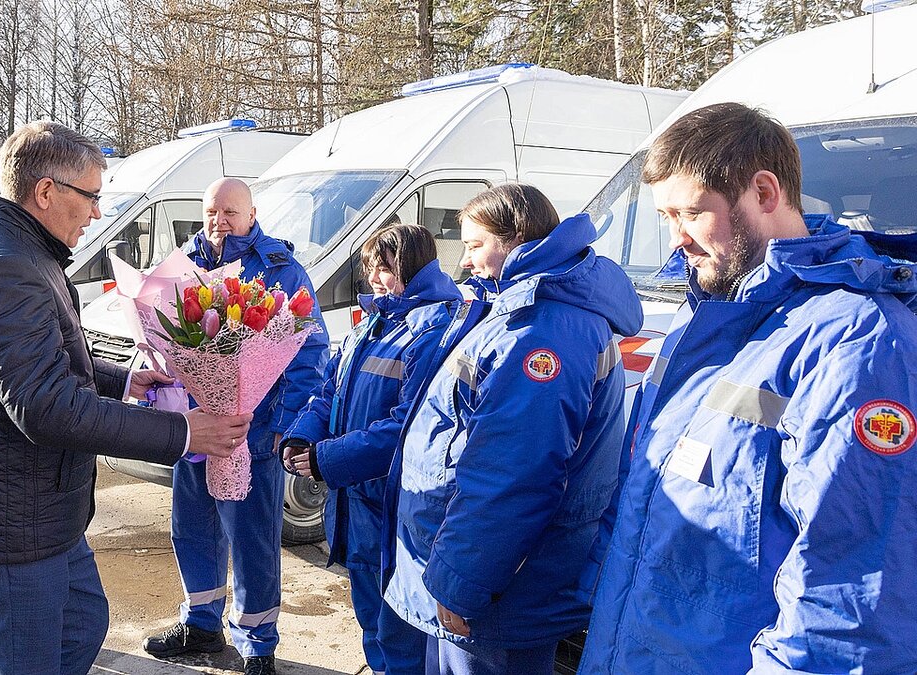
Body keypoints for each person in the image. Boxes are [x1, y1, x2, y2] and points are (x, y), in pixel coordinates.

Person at [578, 103, 917, 673]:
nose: (676, 239)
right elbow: (643, 487)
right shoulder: (703, 317)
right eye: (665, 217)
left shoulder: (856, 341)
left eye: (689, 213)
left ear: (764, 192)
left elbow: (849, 597)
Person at [0, 121, 251, 675]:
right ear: (46, 191)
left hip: (42, 507)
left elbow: (38, 363)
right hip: (17, 519)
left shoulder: (19, 250)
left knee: (83, 622)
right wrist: (183, 433)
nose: (98, 213)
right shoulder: (4, 266)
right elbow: (45, 406)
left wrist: (124, 380)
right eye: (92, 196)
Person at [382, 184, 642, 674]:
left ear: (517, 239)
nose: (464, 262)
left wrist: (462, 581)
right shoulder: (521, 309)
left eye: (476, 245)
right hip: (490, 577)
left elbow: (514, 475)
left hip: (498, 590)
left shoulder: (540, 328)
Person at [142, 177, 329, 675]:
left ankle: (258, 643)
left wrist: (282, 426)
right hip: (195, 431)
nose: (218, 222)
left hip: (254, 432)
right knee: (192, 530)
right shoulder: (185, 263)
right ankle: (202, 622)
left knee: (253, 543)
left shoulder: (280, 269)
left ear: (251, 213)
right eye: (210, 212)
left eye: (229, 212)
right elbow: (162, 337)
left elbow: (308, 351)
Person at [281, 224, 461, 675]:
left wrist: (329, 459)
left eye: (383, 268)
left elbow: (409, 425)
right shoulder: (376, 322)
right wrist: (303, 435)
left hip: (394, 507)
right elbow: (330, 390)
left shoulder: (435, 327)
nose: (374, 279)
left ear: (412, 267)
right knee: (372, 623)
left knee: (402, 635)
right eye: (371, 269)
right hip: (356, 503)